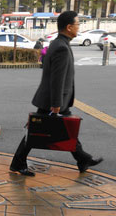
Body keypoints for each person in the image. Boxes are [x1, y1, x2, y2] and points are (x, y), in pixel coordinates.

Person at [9, 11, 102, 177]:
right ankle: (17, 162)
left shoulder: (58, 43)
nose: (78, 28)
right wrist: (56, 104)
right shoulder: (61, 48)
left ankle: (82, 159)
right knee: (34, 134)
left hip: (54, 99)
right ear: (69, 27)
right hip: (53, 101)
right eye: (77, 24)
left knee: (63, 131)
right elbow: (56, 79)